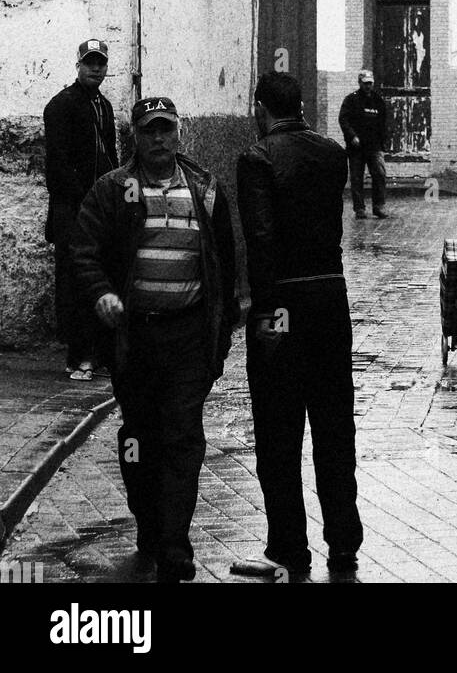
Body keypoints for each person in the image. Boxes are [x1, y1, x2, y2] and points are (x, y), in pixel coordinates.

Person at [70, 96, 237, 584]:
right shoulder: (112, 190)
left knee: (183, 437)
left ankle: (174, 545)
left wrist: (219, 341)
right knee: (138, 439)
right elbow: (82, 250)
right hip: (135, 339)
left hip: (186, 335)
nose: (159, 139)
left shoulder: (205, 190)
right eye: (149, 132)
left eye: (166, 130)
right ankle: (148, 519)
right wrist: (101, 293)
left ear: (179, 133)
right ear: (136, 138)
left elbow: (226, 270)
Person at [237, 72, 363, 578]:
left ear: (260, 108)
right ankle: (344, 542)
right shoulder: (333, 154)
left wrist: (263, 313)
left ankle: (288, 546)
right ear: (303, 105)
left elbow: (261, 238)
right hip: (331, 295)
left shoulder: (257, 158)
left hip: (283, 300)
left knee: (278, 429)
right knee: (335, 425)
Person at [43, 38, 118, 380]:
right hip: (72, 210)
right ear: (78, 65)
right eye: (89, 62)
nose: (95, 68)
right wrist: (82, 203)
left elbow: (110, 159)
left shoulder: (104, 106)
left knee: (99, 276)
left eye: (100, 63)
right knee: (73, 282)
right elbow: (57, 165)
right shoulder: (61, 105)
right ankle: (79, 356)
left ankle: (98, 352)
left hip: (98, 209)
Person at [338, 69, 388, 219]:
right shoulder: (351, 100)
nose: (368, 86)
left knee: (379, 174)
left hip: (374, 146)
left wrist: (381, 143)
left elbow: (383, 122)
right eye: (365, 83)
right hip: (356, 148)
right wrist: (352, 136)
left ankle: (378, 206)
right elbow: (343, 120)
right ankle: (359, 208)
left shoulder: (378, 100)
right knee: (356, 177)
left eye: (370, 83)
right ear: (360, 83)